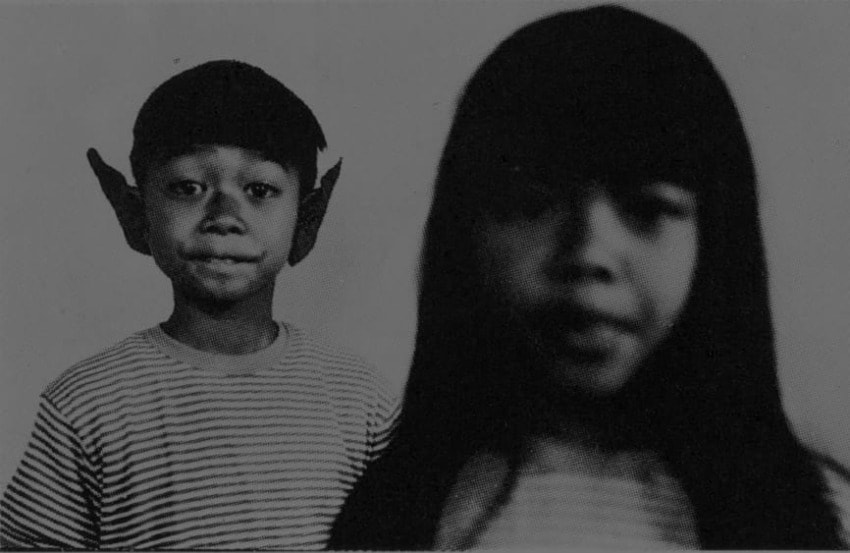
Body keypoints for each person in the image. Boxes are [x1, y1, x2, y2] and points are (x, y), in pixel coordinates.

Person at [328, 6, 847, 549]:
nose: (587, 255)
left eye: (647, 209)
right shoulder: (402, 515)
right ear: (463, 232)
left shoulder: (813, 516)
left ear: (714, 242)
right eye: (531, 203)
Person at [0, 60, 398, 550]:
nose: (224, 217)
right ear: (135, 213)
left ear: (307, 221)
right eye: (189, 188)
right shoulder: (86, 404)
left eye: (259, 190)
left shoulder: (361, 402)